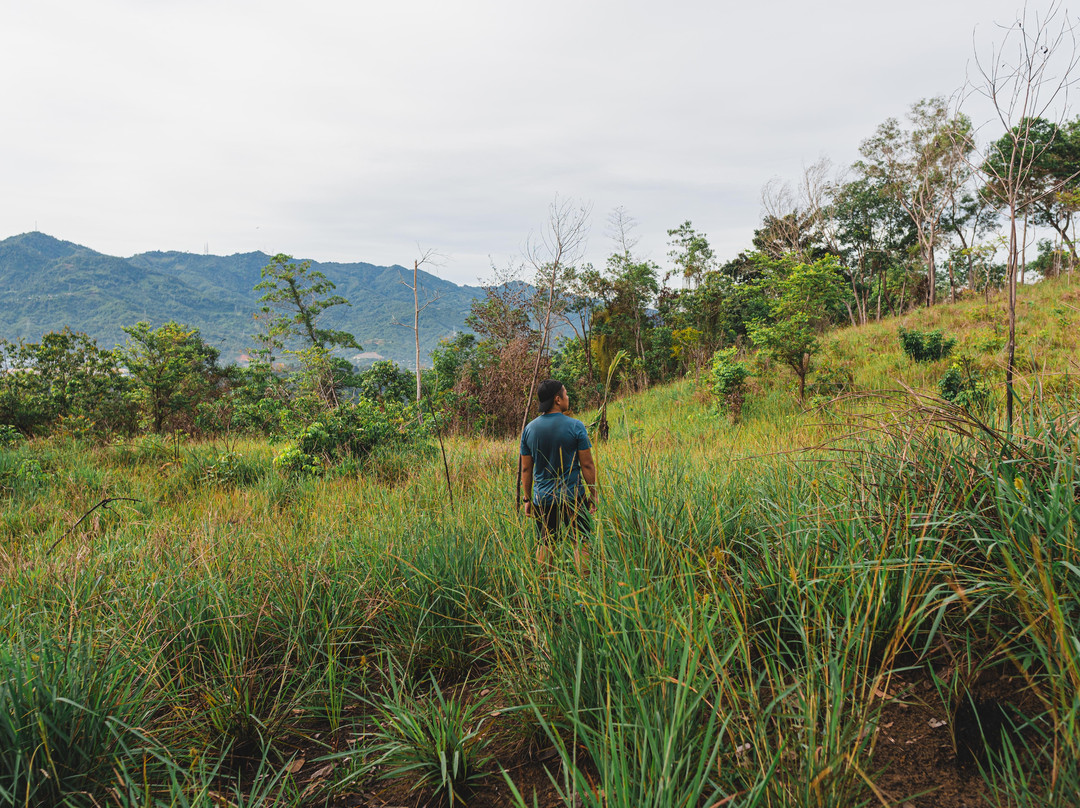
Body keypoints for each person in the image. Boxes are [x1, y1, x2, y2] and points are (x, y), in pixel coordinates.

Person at [519, 379, 597, 567]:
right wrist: (593, 495)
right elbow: (587, 465)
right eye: (566, 393)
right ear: (557, 399)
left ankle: (541, 591)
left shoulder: (529, 430)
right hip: (573, 497)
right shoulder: (576, 426)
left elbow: (526, 469)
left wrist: (528, 499)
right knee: (581, 542)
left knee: (545, 543)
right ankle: (585, 589)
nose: (567, 397)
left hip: (543, 499)